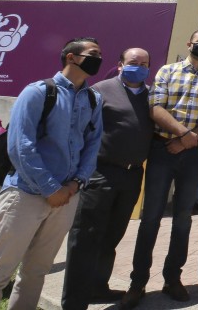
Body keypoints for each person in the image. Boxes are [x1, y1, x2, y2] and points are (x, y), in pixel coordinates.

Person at [0, 38, 104, 310]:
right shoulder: (38, 92)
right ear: (71, 57)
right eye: (93, 54)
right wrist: (51, 188)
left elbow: (93, 145)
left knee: (35, 273)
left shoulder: (93, 99)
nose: (99, 58)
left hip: (66, 198)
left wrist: (74, 185)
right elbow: (20, 146)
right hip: (25, 195)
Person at [123, 28, 198, 308]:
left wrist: (187, 142)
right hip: (162, 150)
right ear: (189, 44)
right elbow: (156, 108)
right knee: (151, 218)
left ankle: (173, 278)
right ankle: (138, 282)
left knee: (183, 219)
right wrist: (184, 134)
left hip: (192, 155)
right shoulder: (167, 72)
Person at [62, 48, 153, 310]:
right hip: (100, 173)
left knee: (112, 235)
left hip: (133, 175)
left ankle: (97, 288)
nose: (139, 66)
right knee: (85, 238)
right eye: (133, 62)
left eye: (144, 63)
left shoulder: (152, 95)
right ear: (120, 64)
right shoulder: (99, 91)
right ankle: (74, 302)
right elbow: (80, 130)